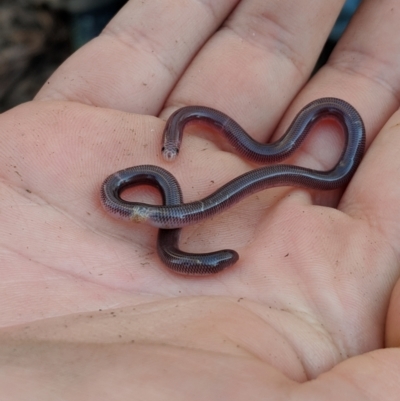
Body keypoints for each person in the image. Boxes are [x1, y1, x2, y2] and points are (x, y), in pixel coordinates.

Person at [1, 0, 399, 399]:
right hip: (137, 199)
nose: (168, 155)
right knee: (185, 197)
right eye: (171, 148)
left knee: (263, 164)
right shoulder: (143, 199)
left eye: (171, 148)